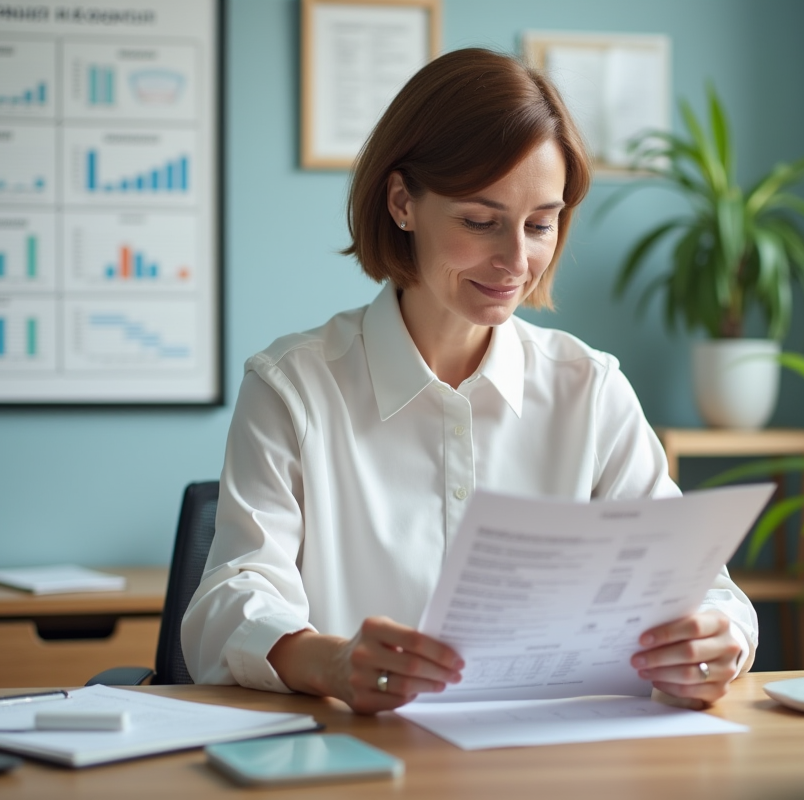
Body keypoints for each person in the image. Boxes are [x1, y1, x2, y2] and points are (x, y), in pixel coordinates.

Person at [181, 48, 758, 715]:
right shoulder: (294, 387)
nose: (517, 260)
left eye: (541, 224)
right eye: (480, 222)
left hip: (553, 763)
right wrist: (333, 662)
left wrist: (716, 638)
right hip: (361, 761)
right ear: (402, 202)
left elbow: (706, 588)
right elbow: (230, 598)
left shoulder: (589, 390)